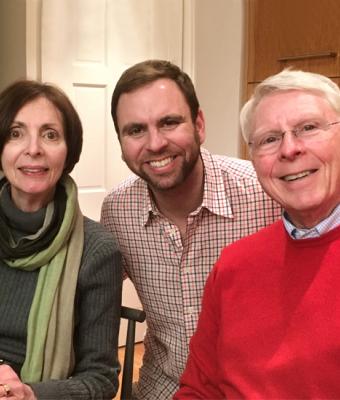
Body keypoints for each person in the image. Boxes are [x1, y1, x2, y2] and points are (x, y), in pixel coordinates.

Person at [101, 59, 281, 399]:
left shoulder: (264, 194)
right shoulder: (118, 210)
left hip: (248, 391)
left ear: (199, 124)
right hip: (161, 389)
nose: (154, 144)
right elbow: (88, 293)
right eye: (136, 130)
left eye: (169, 122)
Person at [174, 68, 340, 399]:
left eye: (308, 128)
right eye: (269, 139)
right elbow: (198, 388)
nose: (290, 149)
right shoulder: (234, 264)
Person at [0, 80, 122, 399]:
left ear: (69, 151)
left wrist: (29, 394)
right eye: (16, 133)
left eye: (50, 134)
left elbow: (101, 379)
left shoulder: (97, 250)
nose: (33, 148)